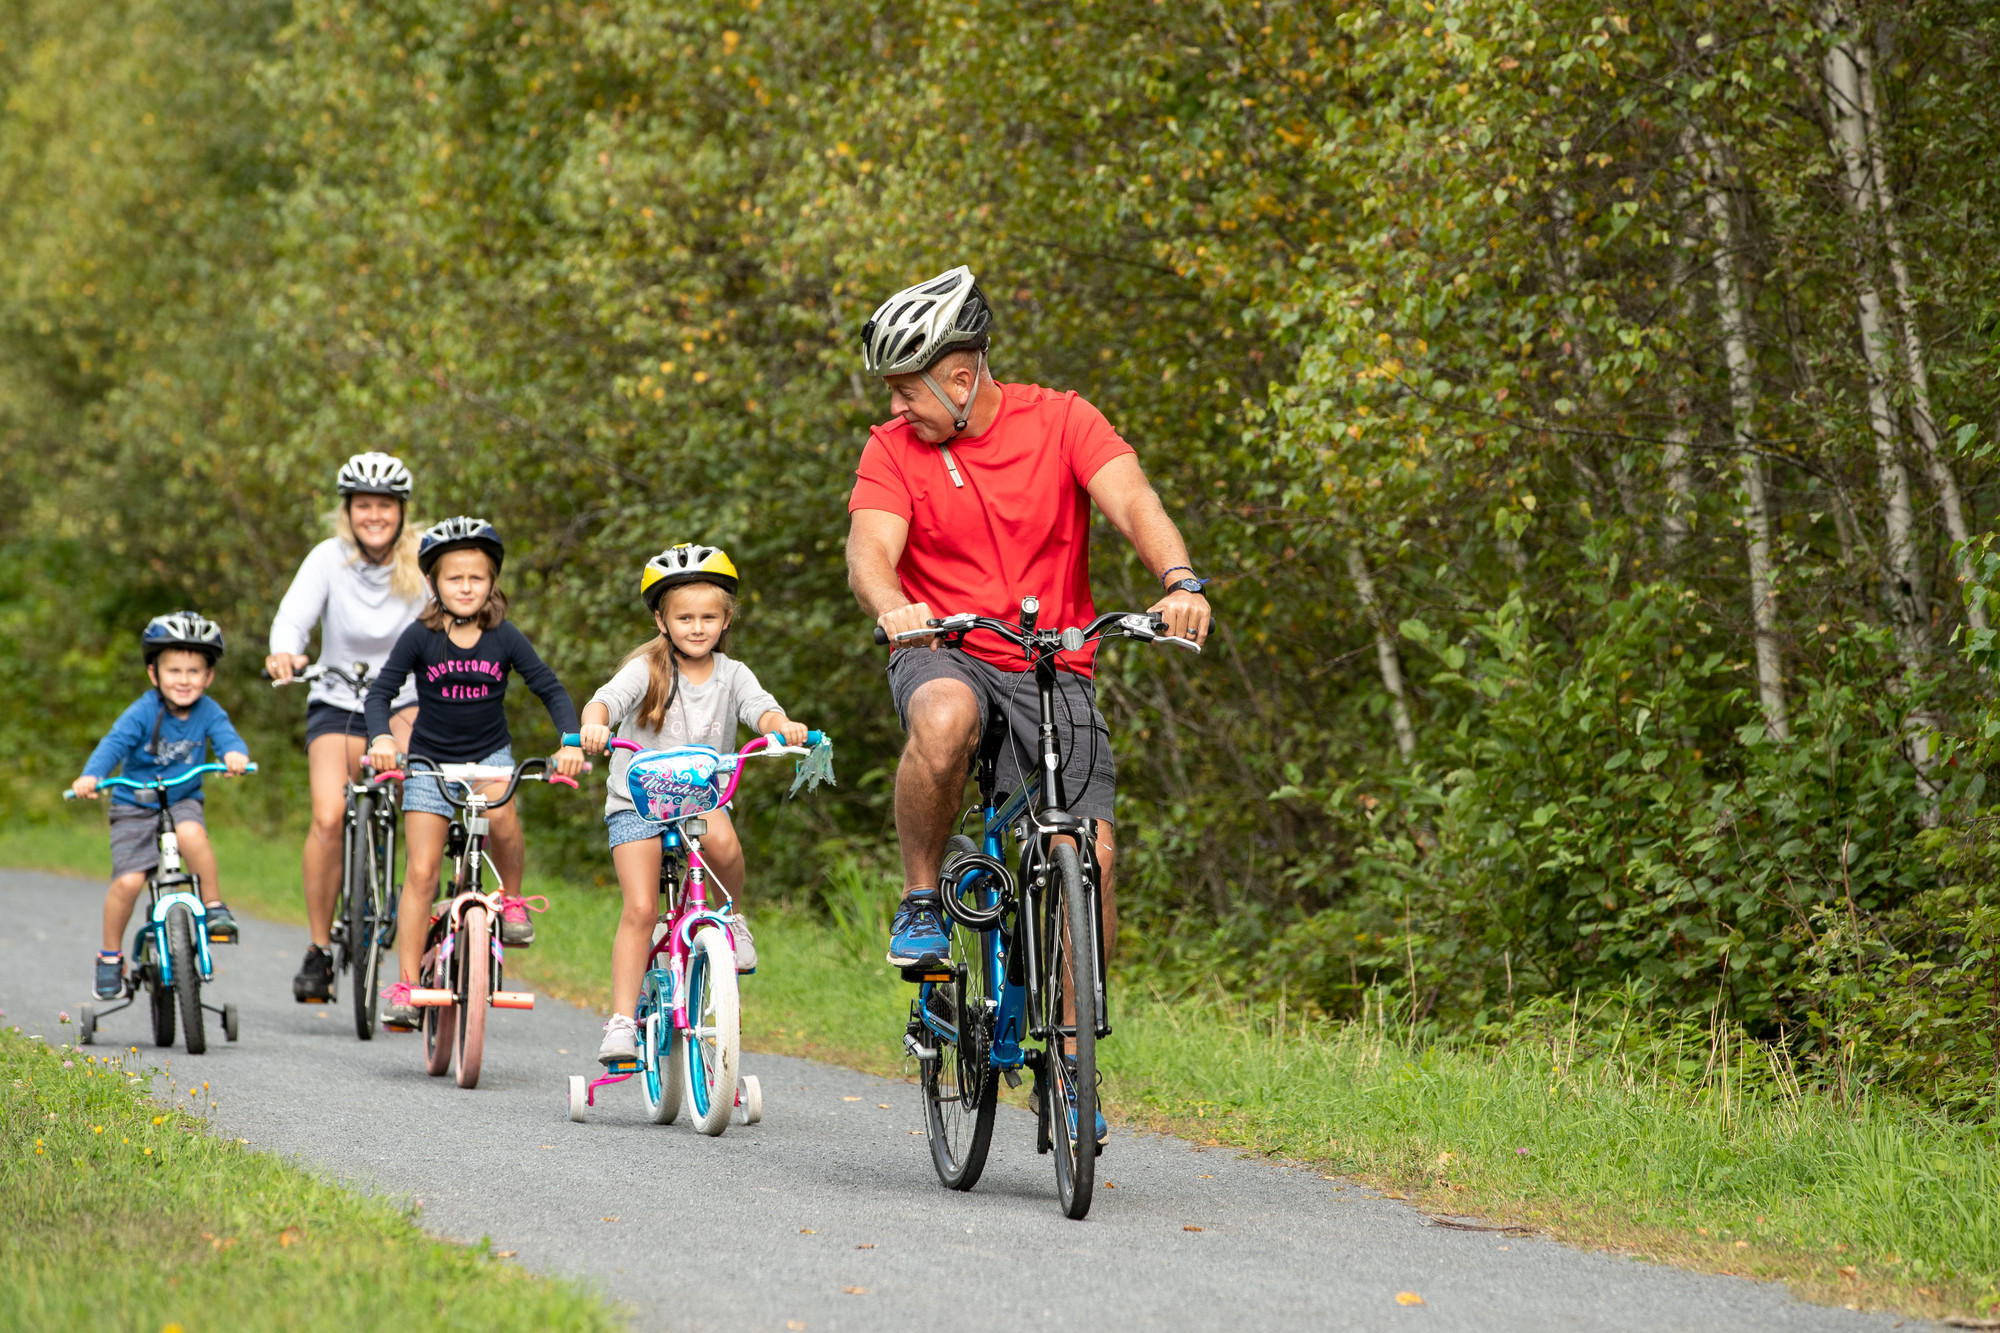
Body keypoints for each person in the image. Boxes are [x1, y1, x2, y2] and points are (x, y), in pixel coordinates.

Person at [845, 266, 1213, 1138]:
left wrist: (1179, 580)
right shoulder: (893, 449)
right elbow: (869, 549)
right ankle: (925, 902)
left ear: (961, 375)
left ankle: (1075, 1052)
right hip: (945, 645)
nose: (900, 405)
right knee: (944, 718)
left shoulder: (1063, 420)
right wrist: (892, 603)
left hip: (1056, 660)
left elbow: (1130, 496)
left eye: (910, 387)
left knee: (1095, 853)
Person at [574, 543, 813, 1065]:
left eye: (709, 617)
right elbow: (606, 699)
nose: (697, 627)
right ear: (662, 620)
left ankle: (730, 916)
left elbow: (760, 709)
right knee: (640, 908)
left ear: (726, 620)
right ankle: (620, 1021)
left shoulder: (733, 674)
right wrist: (595, 723)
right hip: (636, 801)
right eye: (685, 617)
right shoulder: (647, 668)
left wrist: (781, 728)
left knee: (724, 839)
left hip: (699, 798)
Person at [363, 517, 586, 1032]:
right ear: (435, 584)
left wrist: (570, 740)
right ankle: (404, 986)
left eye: (476, 578)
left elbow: (549, 688)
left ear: (492, 583)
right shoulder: (420, 637)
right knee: (419, 872)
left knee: (505, 821)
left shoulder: (504, 637)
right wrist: (382, 739)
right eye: (454, 578)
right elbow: (381, 693)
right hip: (427, 764)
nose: (465, 587)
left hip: (489, 760)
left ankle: (510, 899)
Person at [265, 452, 425, 1003]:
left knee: (423, 802)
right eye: (363, 505)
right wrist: (285, 651)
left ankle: (423, 912)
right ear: (348, 510)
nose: (374, 515)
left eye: (384, 505)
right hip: (336, 700)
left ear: (401, 511)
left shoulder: (425, 561)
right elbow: (293, 616)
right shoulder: (327, 559)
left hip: (405, 704)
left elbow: (453, 616)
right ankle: (317, 949)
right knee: (329, 817)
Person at [72, 613, 252, 1000]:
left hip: (181, 799)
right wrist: (91, 775)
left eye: (193, 670)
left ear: (208, 677)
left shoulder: (208, 712)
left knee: (192, 833)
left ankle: (215, 906)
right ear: (154, 674)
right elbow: (113, 745)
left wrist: (235, 755)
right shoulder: (142, 711)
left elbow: (227, 738)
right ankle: (109, 957)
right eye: (174, 670)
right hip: (133, 805)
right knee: (129, 881)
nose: (183, 679)